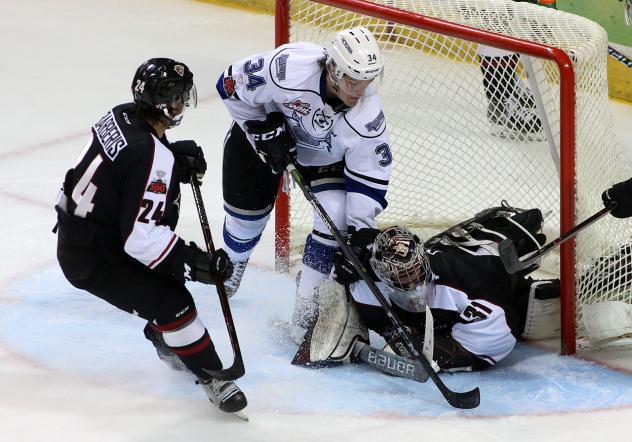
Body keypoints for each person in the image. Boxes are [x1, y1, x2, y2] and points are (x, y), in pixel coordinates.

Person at [54, 58, 247, 415]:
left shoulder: (121, 114)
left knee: (164, 266)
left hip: (84, 230)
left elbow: (125, 162)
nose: (181, 103)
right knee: (176, 303)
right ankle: (211, 374)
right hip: (95, 256)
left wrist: (173, 157)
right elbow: (141, 240)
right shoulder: (152, 155)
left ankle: (163, 334)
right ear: (162, 103)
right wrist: (194, 261)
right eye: (177, 97)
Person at [216, 27, 392, 340]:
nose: (359, 90)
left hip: (323, 156)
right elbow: (228, 85)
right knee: (245, 226)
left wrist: (360, 237)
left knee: (336, 216)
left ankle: (305, 317)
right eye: (353, 80)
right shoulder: (288, 69)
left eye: (367, 81)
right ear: (333, 69)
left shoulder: (368, 117)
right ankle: (230, 274)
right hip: (265, 139)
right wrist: (257, 128)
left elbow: (368, 185)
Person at [293, 205, 560, 373]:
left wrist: (434, 351)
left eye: (414, 273)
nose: (411, 284)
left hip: (502, 287)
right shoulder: (365, 283)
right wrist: (344, 260)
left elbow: (495, 338)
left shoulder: (469, 286)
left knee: (538, 309)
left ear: (424, 263)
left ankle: (497, 235)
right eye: (400, 277)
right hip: (450, 260)